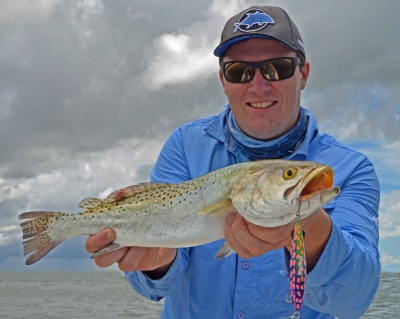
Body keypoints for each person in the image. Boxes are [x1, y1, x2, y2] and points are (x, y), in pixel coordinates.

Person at [86, 6, 380, 319]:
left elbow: (354, 301)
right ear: (223, 81)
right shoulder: (185, 145)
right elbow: (156, 285)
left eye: (277, 68)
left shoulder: (351, 169)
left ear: (303, 73)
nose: (258, 85)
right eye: (239, 71)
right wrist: (159, 263)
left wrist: (316, 235)